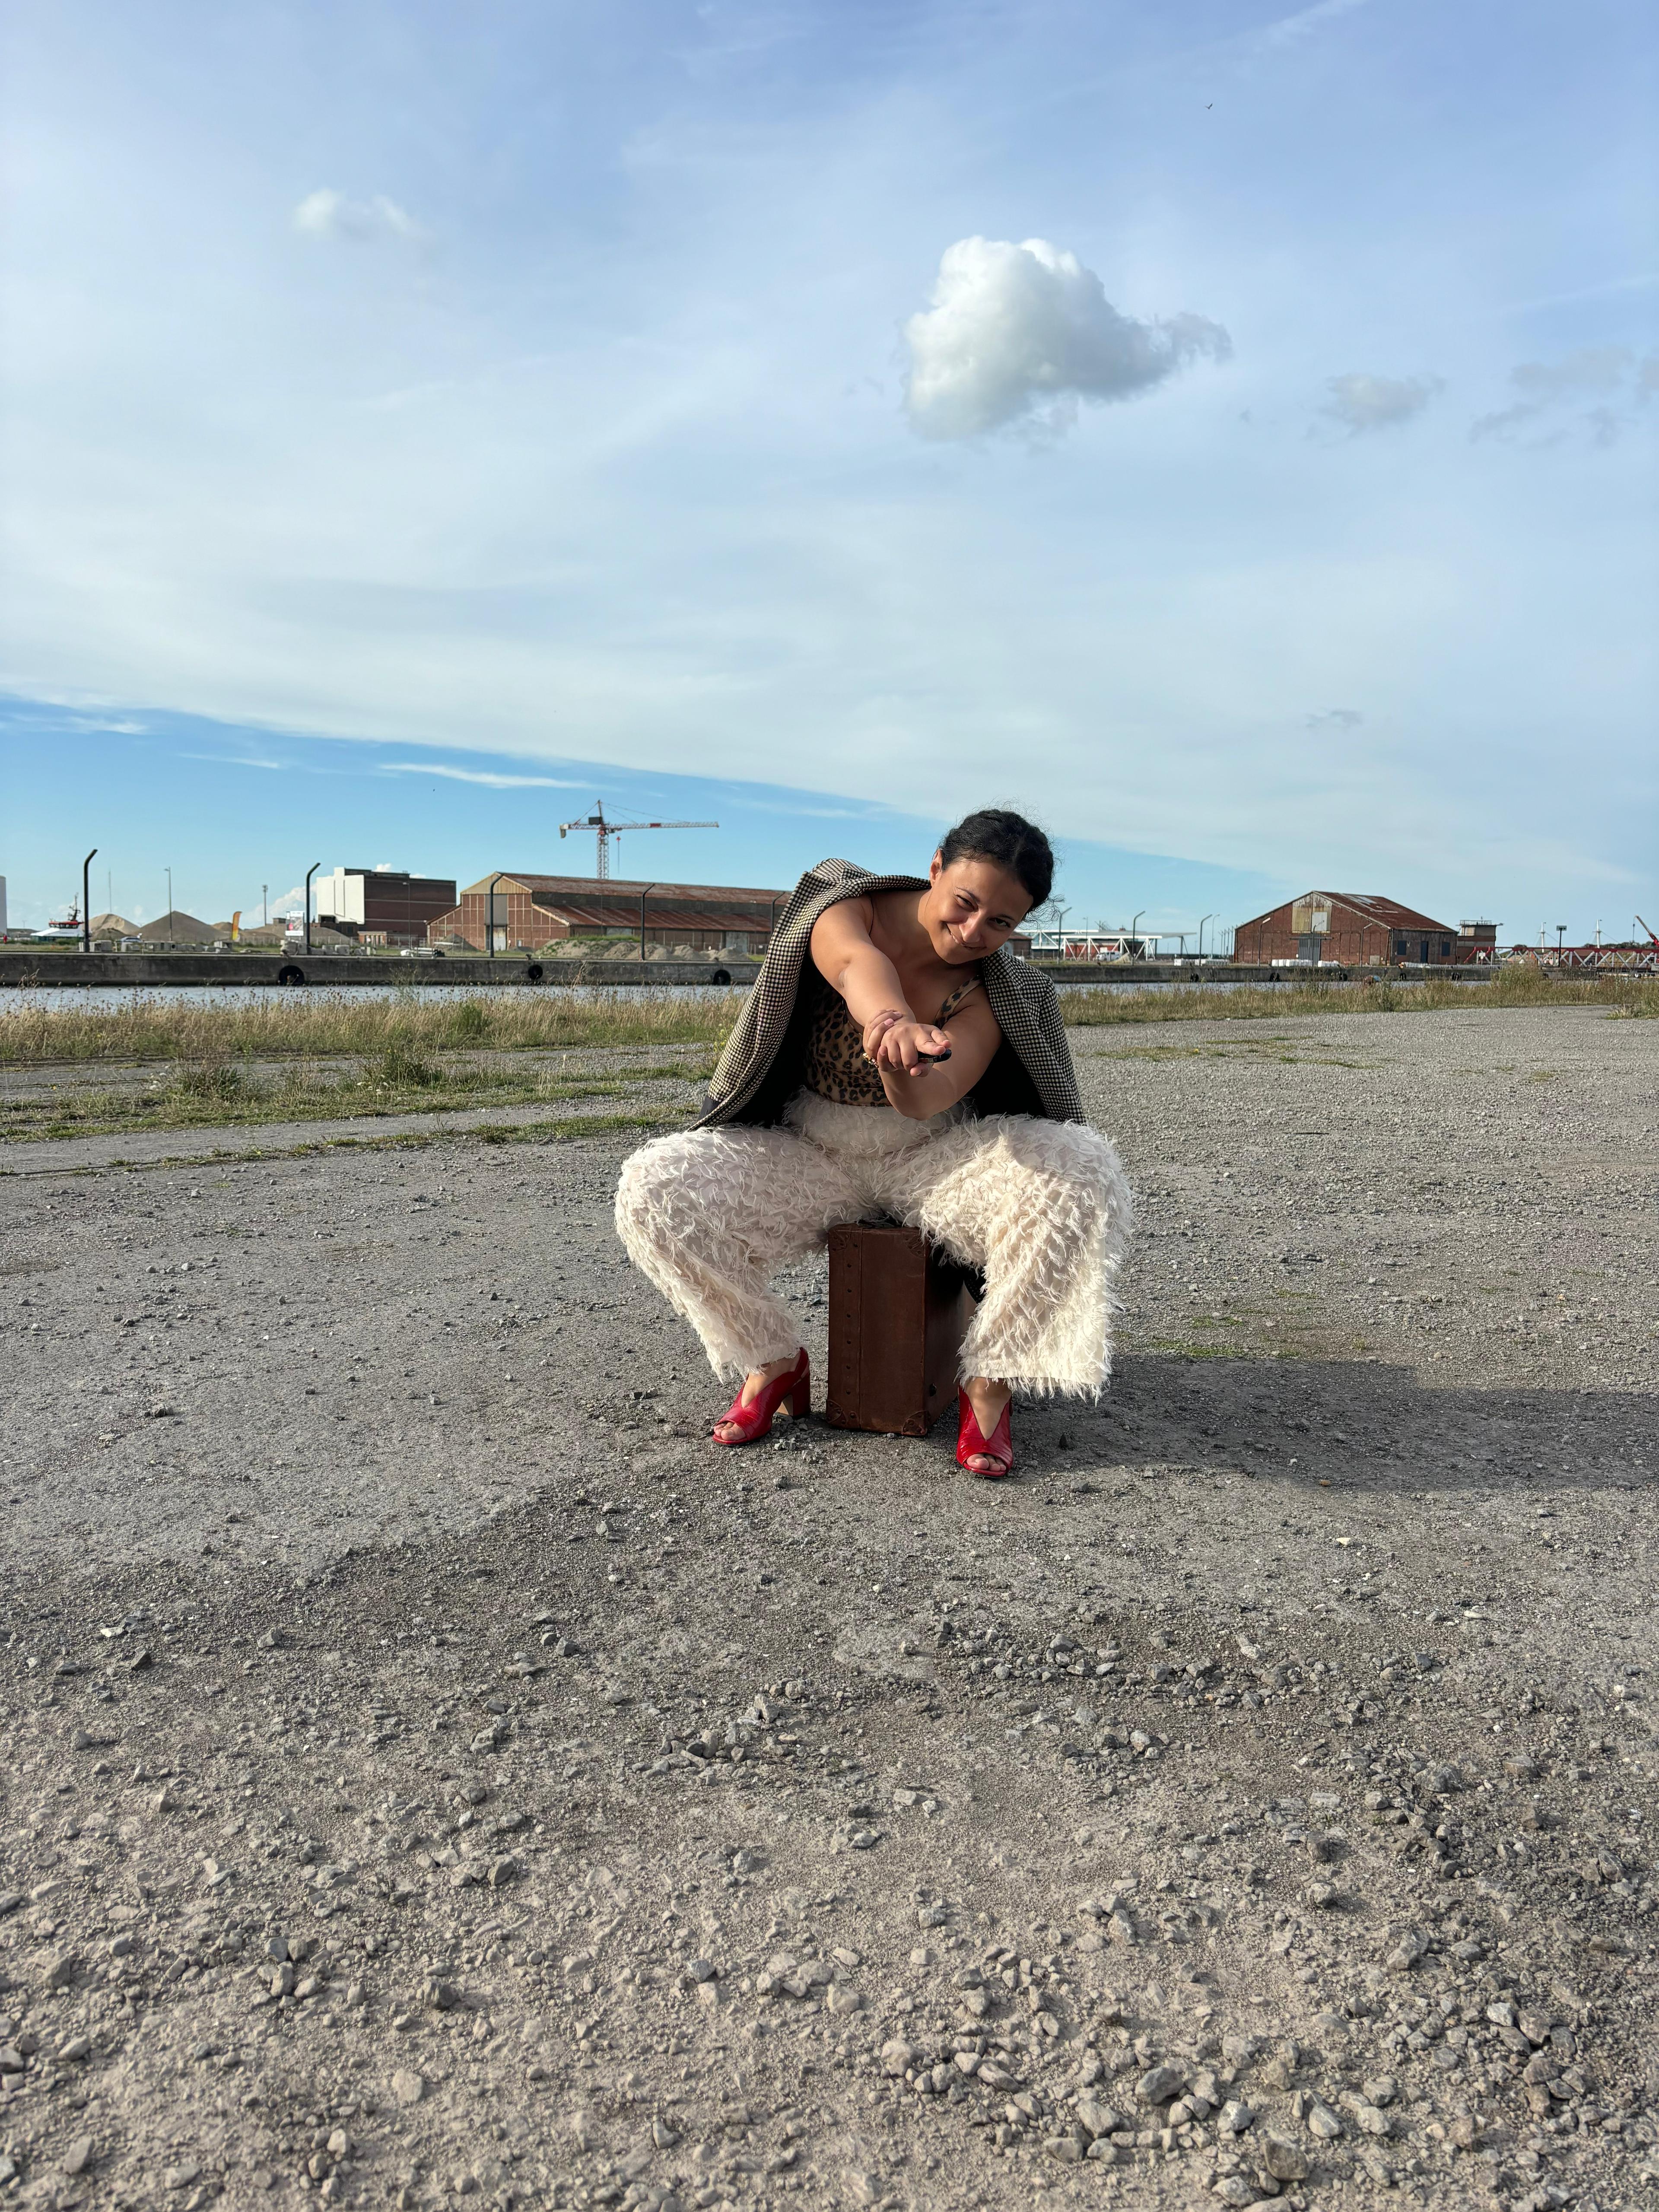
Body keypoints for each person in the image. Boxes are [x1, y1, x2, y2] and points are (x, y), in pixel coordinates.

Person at [613, 810, 1131, 1476]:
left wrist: (898, 1066)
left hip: (930, 1158)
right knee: (653, 1187)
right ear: (936, 867)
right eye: (965, 904)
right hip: (810, 1152)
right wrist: (889, 1022)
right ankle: (771, 1357)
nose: (974, 933)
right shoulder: (844, 903)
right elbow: (856, 965)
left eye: (1001, 923)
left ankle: (991, 1382)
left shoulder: (999, 991)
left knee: (1082, 1169)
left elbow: (929, 1100)